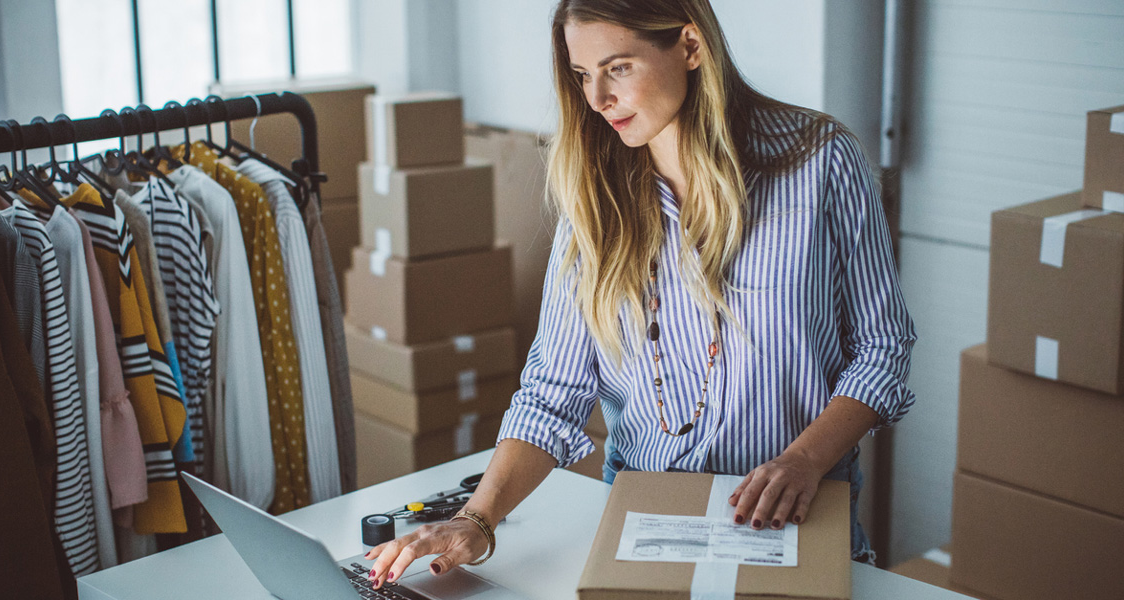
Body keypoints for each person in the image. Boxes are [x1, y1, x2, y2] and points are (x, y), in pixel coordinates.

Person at [363, 0, 916, 587]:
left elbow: (884, 348)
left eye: (618, 67)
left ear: (690, 46)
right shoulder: (594, 202)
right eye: (582, 75)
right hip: (647, 524)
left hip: (796, 519)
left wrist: (804, 459)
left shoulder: (821, 161)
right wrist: (476, 519)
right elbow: (554, 392)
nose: (597, 98)